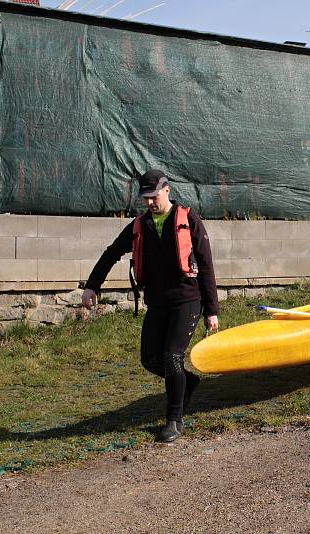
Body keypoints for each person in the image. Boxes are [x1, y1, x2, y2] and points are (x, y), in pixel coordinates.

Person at [81, 169, 219, 443]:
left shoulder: (188, 219)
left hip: (187, 300)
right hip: (157, 302)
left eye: (153, 196)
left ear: (166, 190)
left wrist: (212, 310)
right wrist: (92, 285)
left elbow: (205, 264)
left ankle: (174, 419)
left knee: (171, 357)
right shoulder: (140, 224)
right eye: (144, 198)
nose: (149, 203)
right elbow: (112, 253)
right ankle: (187, 383)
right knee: (150, 360)